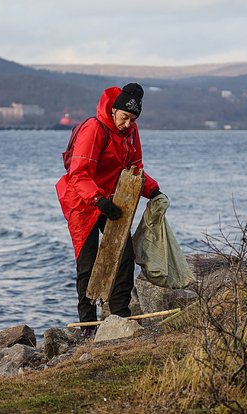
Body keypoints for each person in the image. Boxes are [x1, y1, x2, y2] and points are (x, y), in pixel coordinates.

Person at [55, 83, 163, 336]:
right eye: (125, 118)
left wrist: (154, 190)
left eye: (133, 119)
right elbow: (78, 174)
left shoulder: (132, 132)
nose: (128, 124)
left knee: (124, 255)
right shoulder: (94, 129)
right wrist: (97, 199)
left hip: (112, 199)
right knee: (87, 262)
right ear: (114, 110)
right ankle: (87, 325)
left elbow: (135, 169)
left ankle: (119, 314)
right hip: (82, 201)